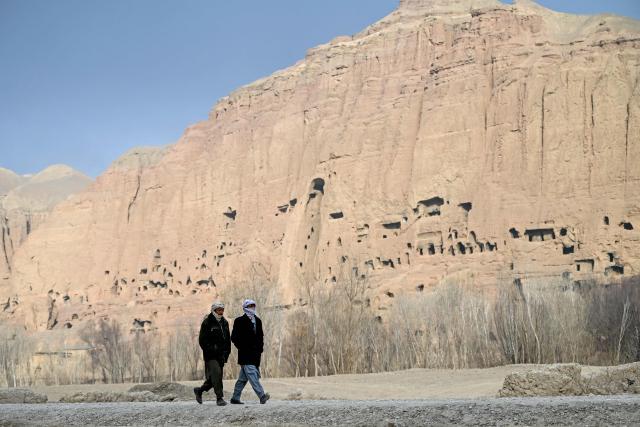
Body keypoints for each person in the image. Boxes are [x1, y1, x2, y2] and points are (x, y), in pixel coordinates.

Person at [230, 299, 270, 404]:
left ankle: (235, 398)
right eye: (250, 306)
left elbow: (261, 337)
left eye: (253, 305)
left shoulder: (258, 320)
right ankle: (262, 396)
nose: (252, 307)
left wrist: (260, 349)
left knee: (243, 379)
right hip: (245, 354)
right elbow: (234, 337)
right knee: (252, 375)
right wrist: (242, 347)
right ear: (245, 307)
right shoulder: (239, 321)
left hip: (256, 355)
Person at [194, 301, 231, 406]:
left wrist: (227, 353)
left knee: (213, 379)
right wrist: (211, 349)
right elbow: (202, 341)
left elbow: (228, 340)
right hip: (211, 356)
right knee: (217, 374)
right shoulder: (207, 322)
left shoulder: (225, 323)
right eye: (219, 310)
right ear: (214, 310)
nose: (221, 312)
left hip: (221, 356)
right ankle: (219, 398)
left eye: (222, 310)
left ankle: (199, 391)